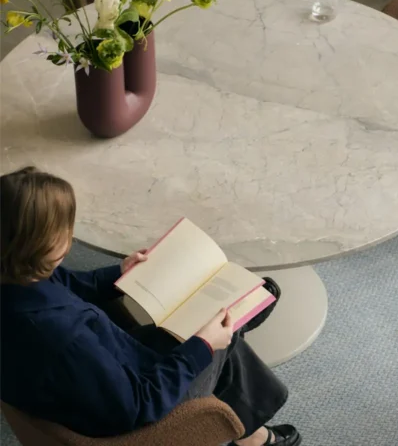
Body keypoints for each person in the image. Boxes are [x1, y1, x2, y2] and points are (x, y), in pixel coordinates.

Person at [0, 166, 301, 446]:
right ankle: (254, 435)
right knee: (224, 331)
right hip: (143, 406)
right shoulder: (63, 340)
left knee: (213, 324)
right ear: (41, 245)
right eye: (64, 231)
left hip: (113, 361)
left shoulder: (18, 273)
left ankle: (249, 421)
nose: (70, 237)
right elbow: (141, 404)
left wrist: (119, 272)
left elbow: (69, 283)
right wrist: (204, 346)